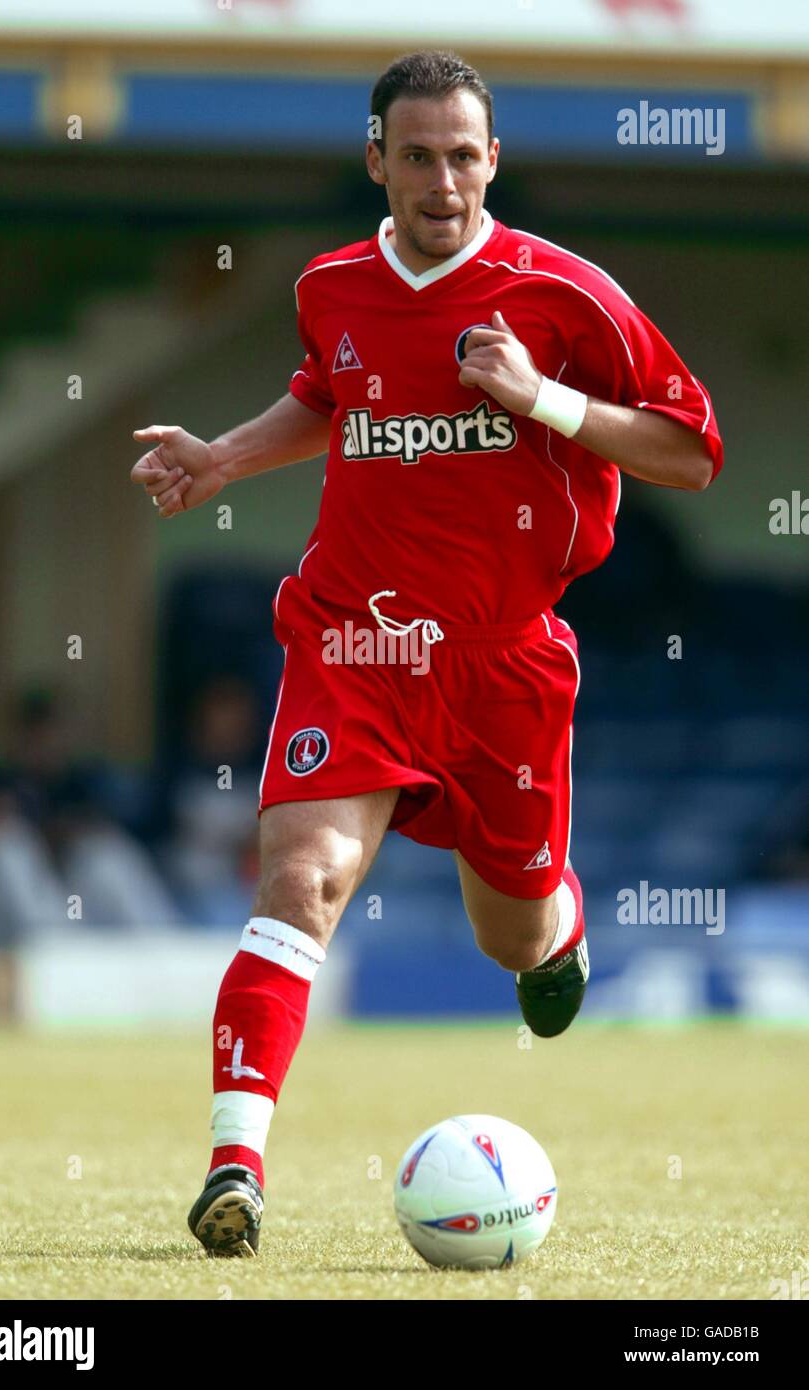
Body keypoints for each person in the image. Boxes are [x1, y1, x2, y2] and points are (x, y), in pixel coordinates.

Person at [130, 50, 723, 1258]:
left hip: (502, 665)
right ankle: (234, 1165)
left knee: (505, 933)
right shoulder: (333, 285)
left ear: (491, 160)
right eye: (416, 156)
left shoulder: (565, 297)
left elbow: (688, 449)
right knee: (299, 877)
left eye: (462, 155)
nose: (441, 180)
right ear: (375, 162)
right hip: (352, 637)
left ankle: (554, 931)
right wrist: (222, 458)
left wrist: (541, 402)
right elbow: (328, 391)